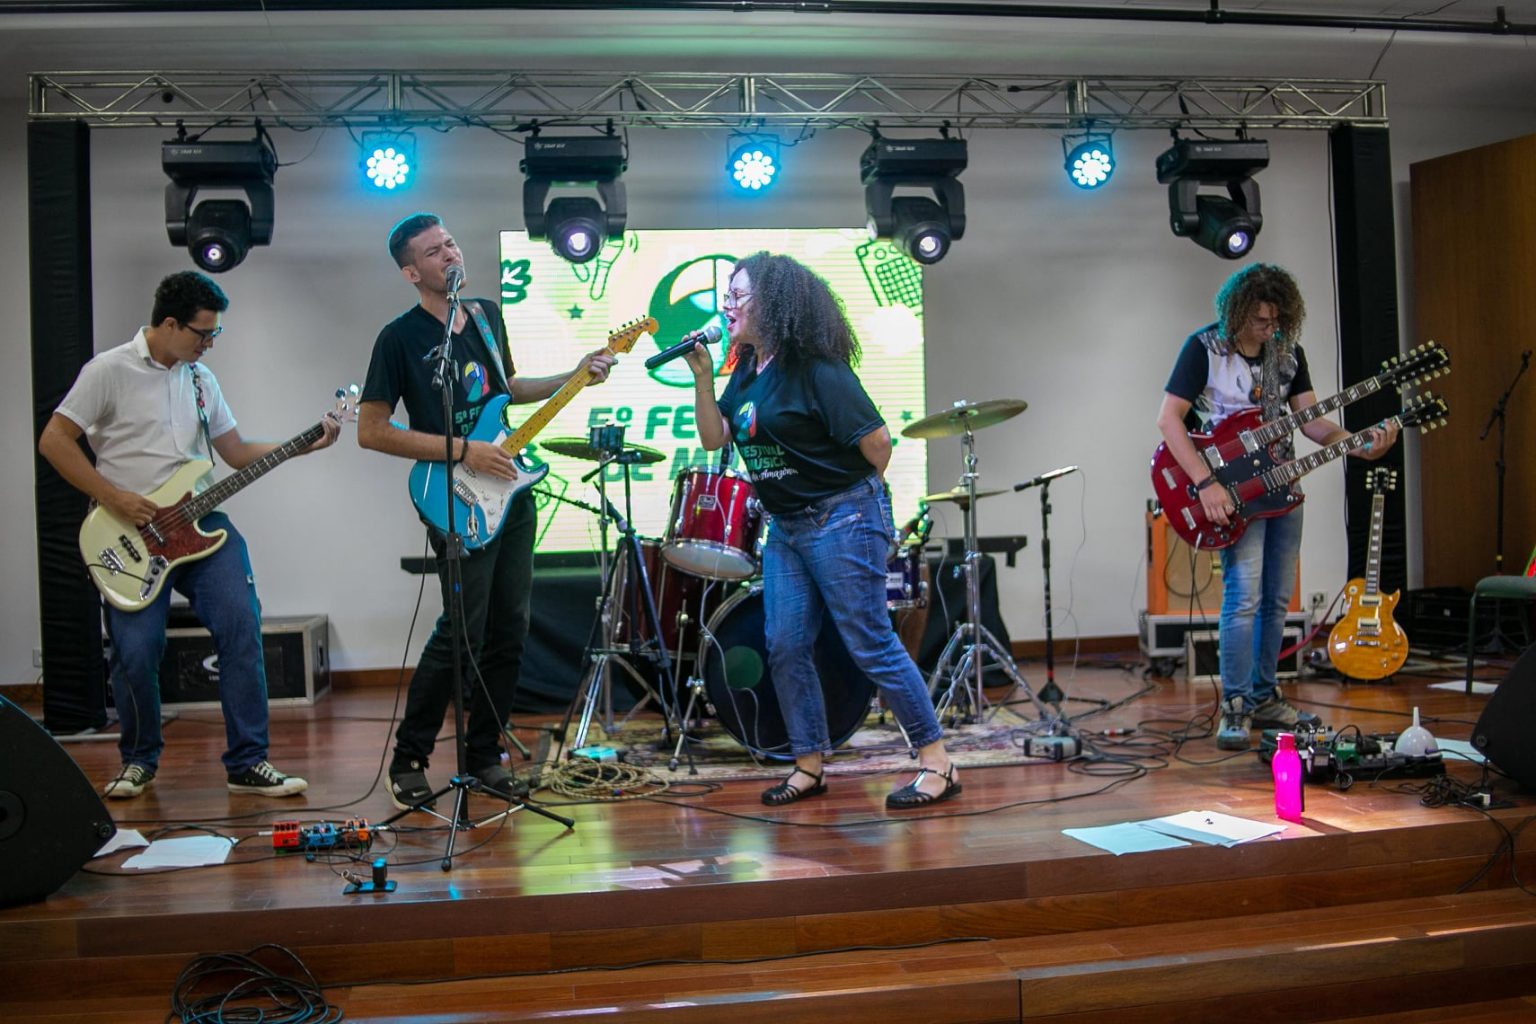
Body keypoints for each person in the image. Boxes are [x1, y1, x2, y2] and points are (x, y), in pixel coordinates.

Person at [39, 270, 339, 798]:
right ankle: (139, 761)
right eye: (204, 333)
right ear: (170, 324)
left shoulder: (201, 381)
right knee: (136, 651)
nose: (210, 343)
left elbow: (235, 452)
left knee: (241, 627)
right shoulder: (107, 370)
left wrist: (301, 445)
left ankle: (248, 762)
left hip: (202, 525)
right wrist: (114, 497)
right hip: (129, 531)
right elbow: (54, 440)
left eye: (215, 333)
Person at [358, 213, 616, 810]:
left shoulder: (485, 316)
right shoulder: (399, 338)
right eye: (433, 251)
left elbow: (508, 389)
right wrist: (462, 450)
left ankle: (484, 755)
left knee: (509, 629)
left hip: (510, 491)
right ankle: (410, 756)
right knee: (461, 630)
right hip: (452, 495)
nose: (450, 253)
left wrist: (574, 375)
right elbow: (372, 431)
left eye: (450, 242)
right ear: (411, 272)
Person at [685, 252, 959, 809]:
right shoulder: (746, 368)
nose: (726, 305)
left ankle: (938, 763)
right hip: (786, 527)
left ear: (773, 303)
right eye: (726, 295)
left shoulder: (816, 368)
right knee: (785, 644)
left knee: (869, 641)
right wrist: (704, 378)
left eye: (737, 296)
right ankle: (809, 765)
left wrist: (853, 502)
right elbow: (715, 438)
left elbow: (877, 443)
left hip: (841, 518)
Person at [1156, 263, 1398, 751]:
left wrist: (1357, 443)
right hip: (1231, 491)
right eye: (1259, 321)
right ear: (1237, 313)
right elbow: (1168, 420)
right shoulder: (1204, 349)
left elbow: (1311, 422)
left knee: (1276, 598)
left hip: (1283, 484)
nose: (1269, 329)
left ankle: (1265, 696)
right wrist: (1206, 483)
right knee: (1243, 596)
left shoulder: (1287, 354)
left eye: (1276, 320)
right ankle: (1235, 703)